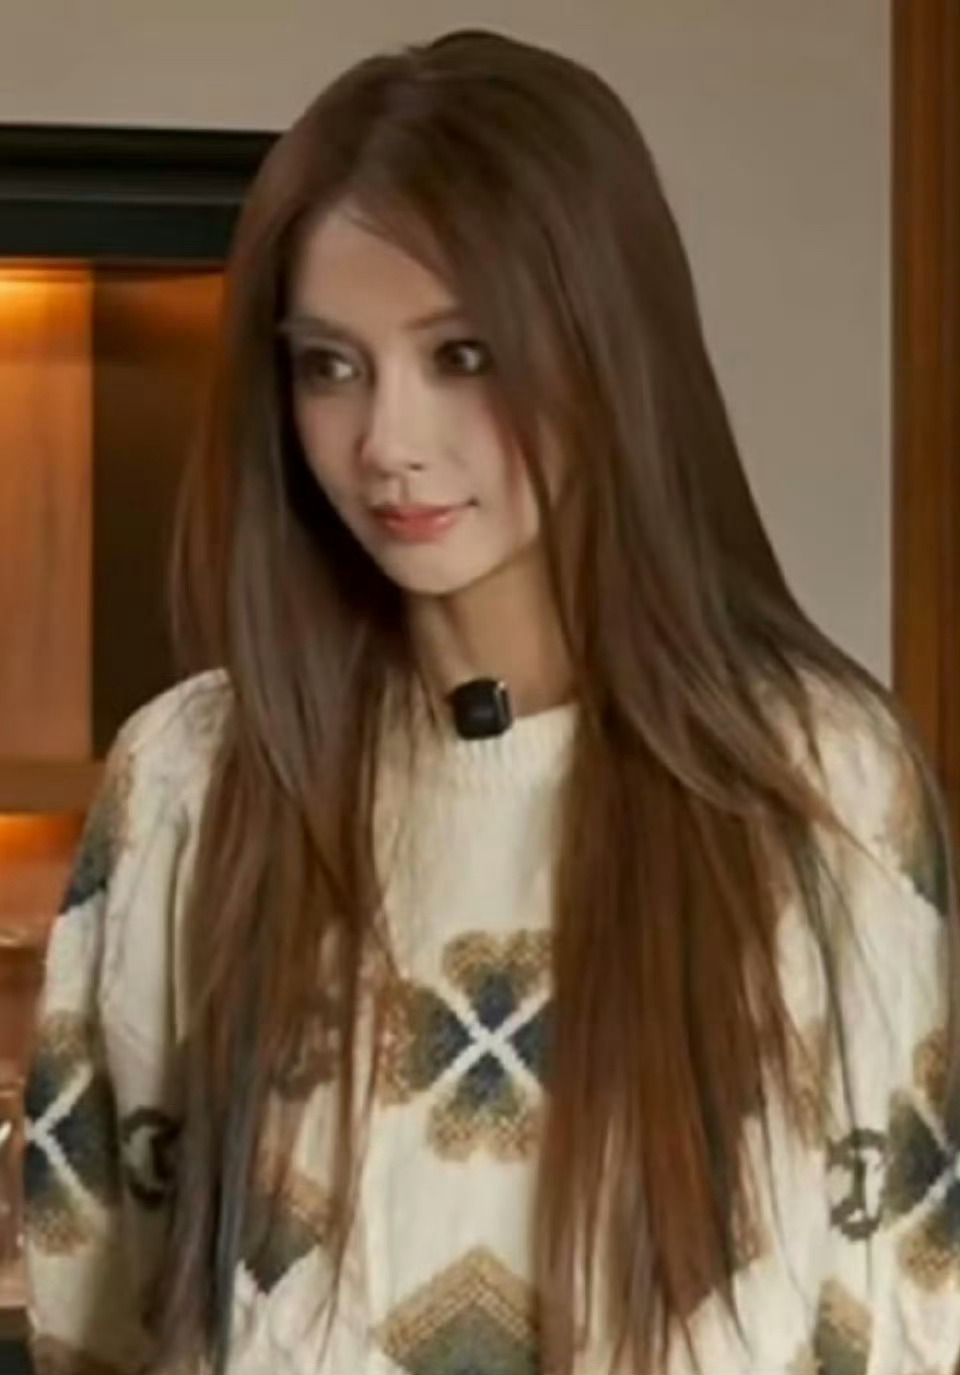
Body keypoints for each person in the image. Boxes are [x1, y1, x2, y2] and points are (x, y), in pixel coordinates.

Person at [21, 28, 960, 1375]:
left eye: (463, 355)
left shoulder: (820, 781)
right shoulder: (192, 775)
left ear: (605, 349)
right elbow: (93, 1298)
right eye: (329, 365)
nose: (388, 442)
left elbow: (908, 1310)